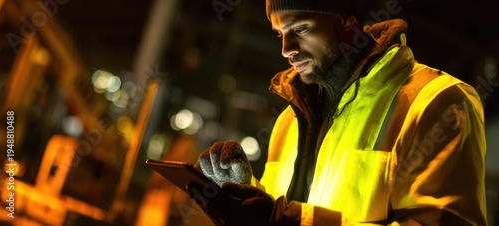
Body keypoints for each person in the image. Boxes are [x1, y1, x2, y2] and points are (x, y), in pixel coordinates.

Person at [188, 0, 488, 225]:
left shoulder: (439, 101)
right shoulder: (290, 120)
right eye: (280, 33)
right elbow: (286, 208)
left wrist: (283, 221)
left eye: (300, 28)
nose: (286, 48)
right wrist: (245, 193)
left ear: (345, 19)